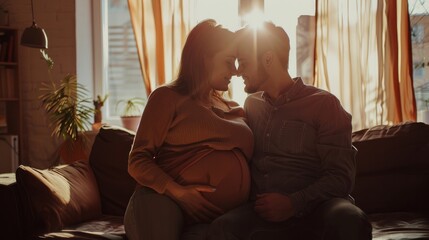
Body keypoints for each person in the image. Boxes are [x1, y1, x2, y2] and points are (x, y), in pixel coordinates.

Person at [206, 21, 373, 240]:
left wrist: (294, 203)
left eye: (243, 62)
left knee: (350, 218)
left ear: (268, 59)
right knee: (222, 228)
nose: (237, 72)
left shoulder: (324, 105)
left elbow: (341, 176)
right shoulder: (251, 105)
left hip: (318, 210)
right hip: (262, 212)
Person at [124, 19, 254, 240]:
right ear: (205, 58)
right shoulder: (167, 97)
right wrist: (180, 193)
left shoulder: (231, 106)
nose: (235, 70)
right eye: (229, 61)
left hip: (212, 216)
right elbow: (137, 160)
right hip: (161, 200)